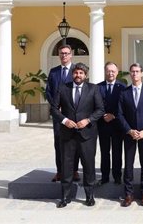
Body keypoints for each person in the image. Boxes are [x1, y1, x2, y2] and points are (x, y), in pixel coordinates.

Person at [51, 62, 104, 208]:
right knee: (67, 167)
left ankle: (89, 196)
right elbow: (54, 109)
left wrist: (88, 120)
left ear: (85, 75)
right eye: (75, 73)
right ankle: (65, 197)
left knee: (88, 166)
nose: (78, 75)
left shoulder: (93, 88)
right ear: (72, 74)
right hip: (67, 135)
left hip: (87, 135)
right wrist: (65, 120)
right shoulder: (63, 88)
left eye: (81, 73)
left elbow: (100, 110)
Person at [117, 63, 143, 207]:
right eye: (132, 72)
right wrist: (129, 130)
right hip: (129, 135)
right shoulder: (124, 92)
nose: (135, 74)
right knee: (128, 165)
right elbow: (120, 114)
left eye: (137, 71)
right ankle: (128, 194)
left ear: (142, 74)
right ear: (130, 74)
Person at [45, 44, 79, 182]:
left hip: (73, 113)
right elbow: (48, 91)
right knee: (58, 142)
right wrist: (55, 106)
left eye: (66, 53)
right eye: (61, 53)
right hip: (58, 115)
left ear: (71, 55)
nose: (64, 55)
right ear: (59, 55)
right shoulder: (53, 72)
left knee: (74, 142)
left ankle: (75, 171)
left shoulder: (77, 71)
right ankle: (60, 171)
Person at [97, 61, 125, 185]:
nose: (111, 73)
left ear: (117, 72)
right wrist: (104, 115)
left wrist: (113, 115)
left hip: (117, 124)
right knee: (104, 152)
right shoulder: (98, 87)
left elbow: (123, 105)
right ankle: (104, 176)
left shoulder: (123, 87)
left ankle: (117, 176)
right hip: (103, 124)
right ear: (105, 71)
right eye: (108, 71)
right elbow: (96, 104)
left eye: (113, 71)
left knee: (117, 152)